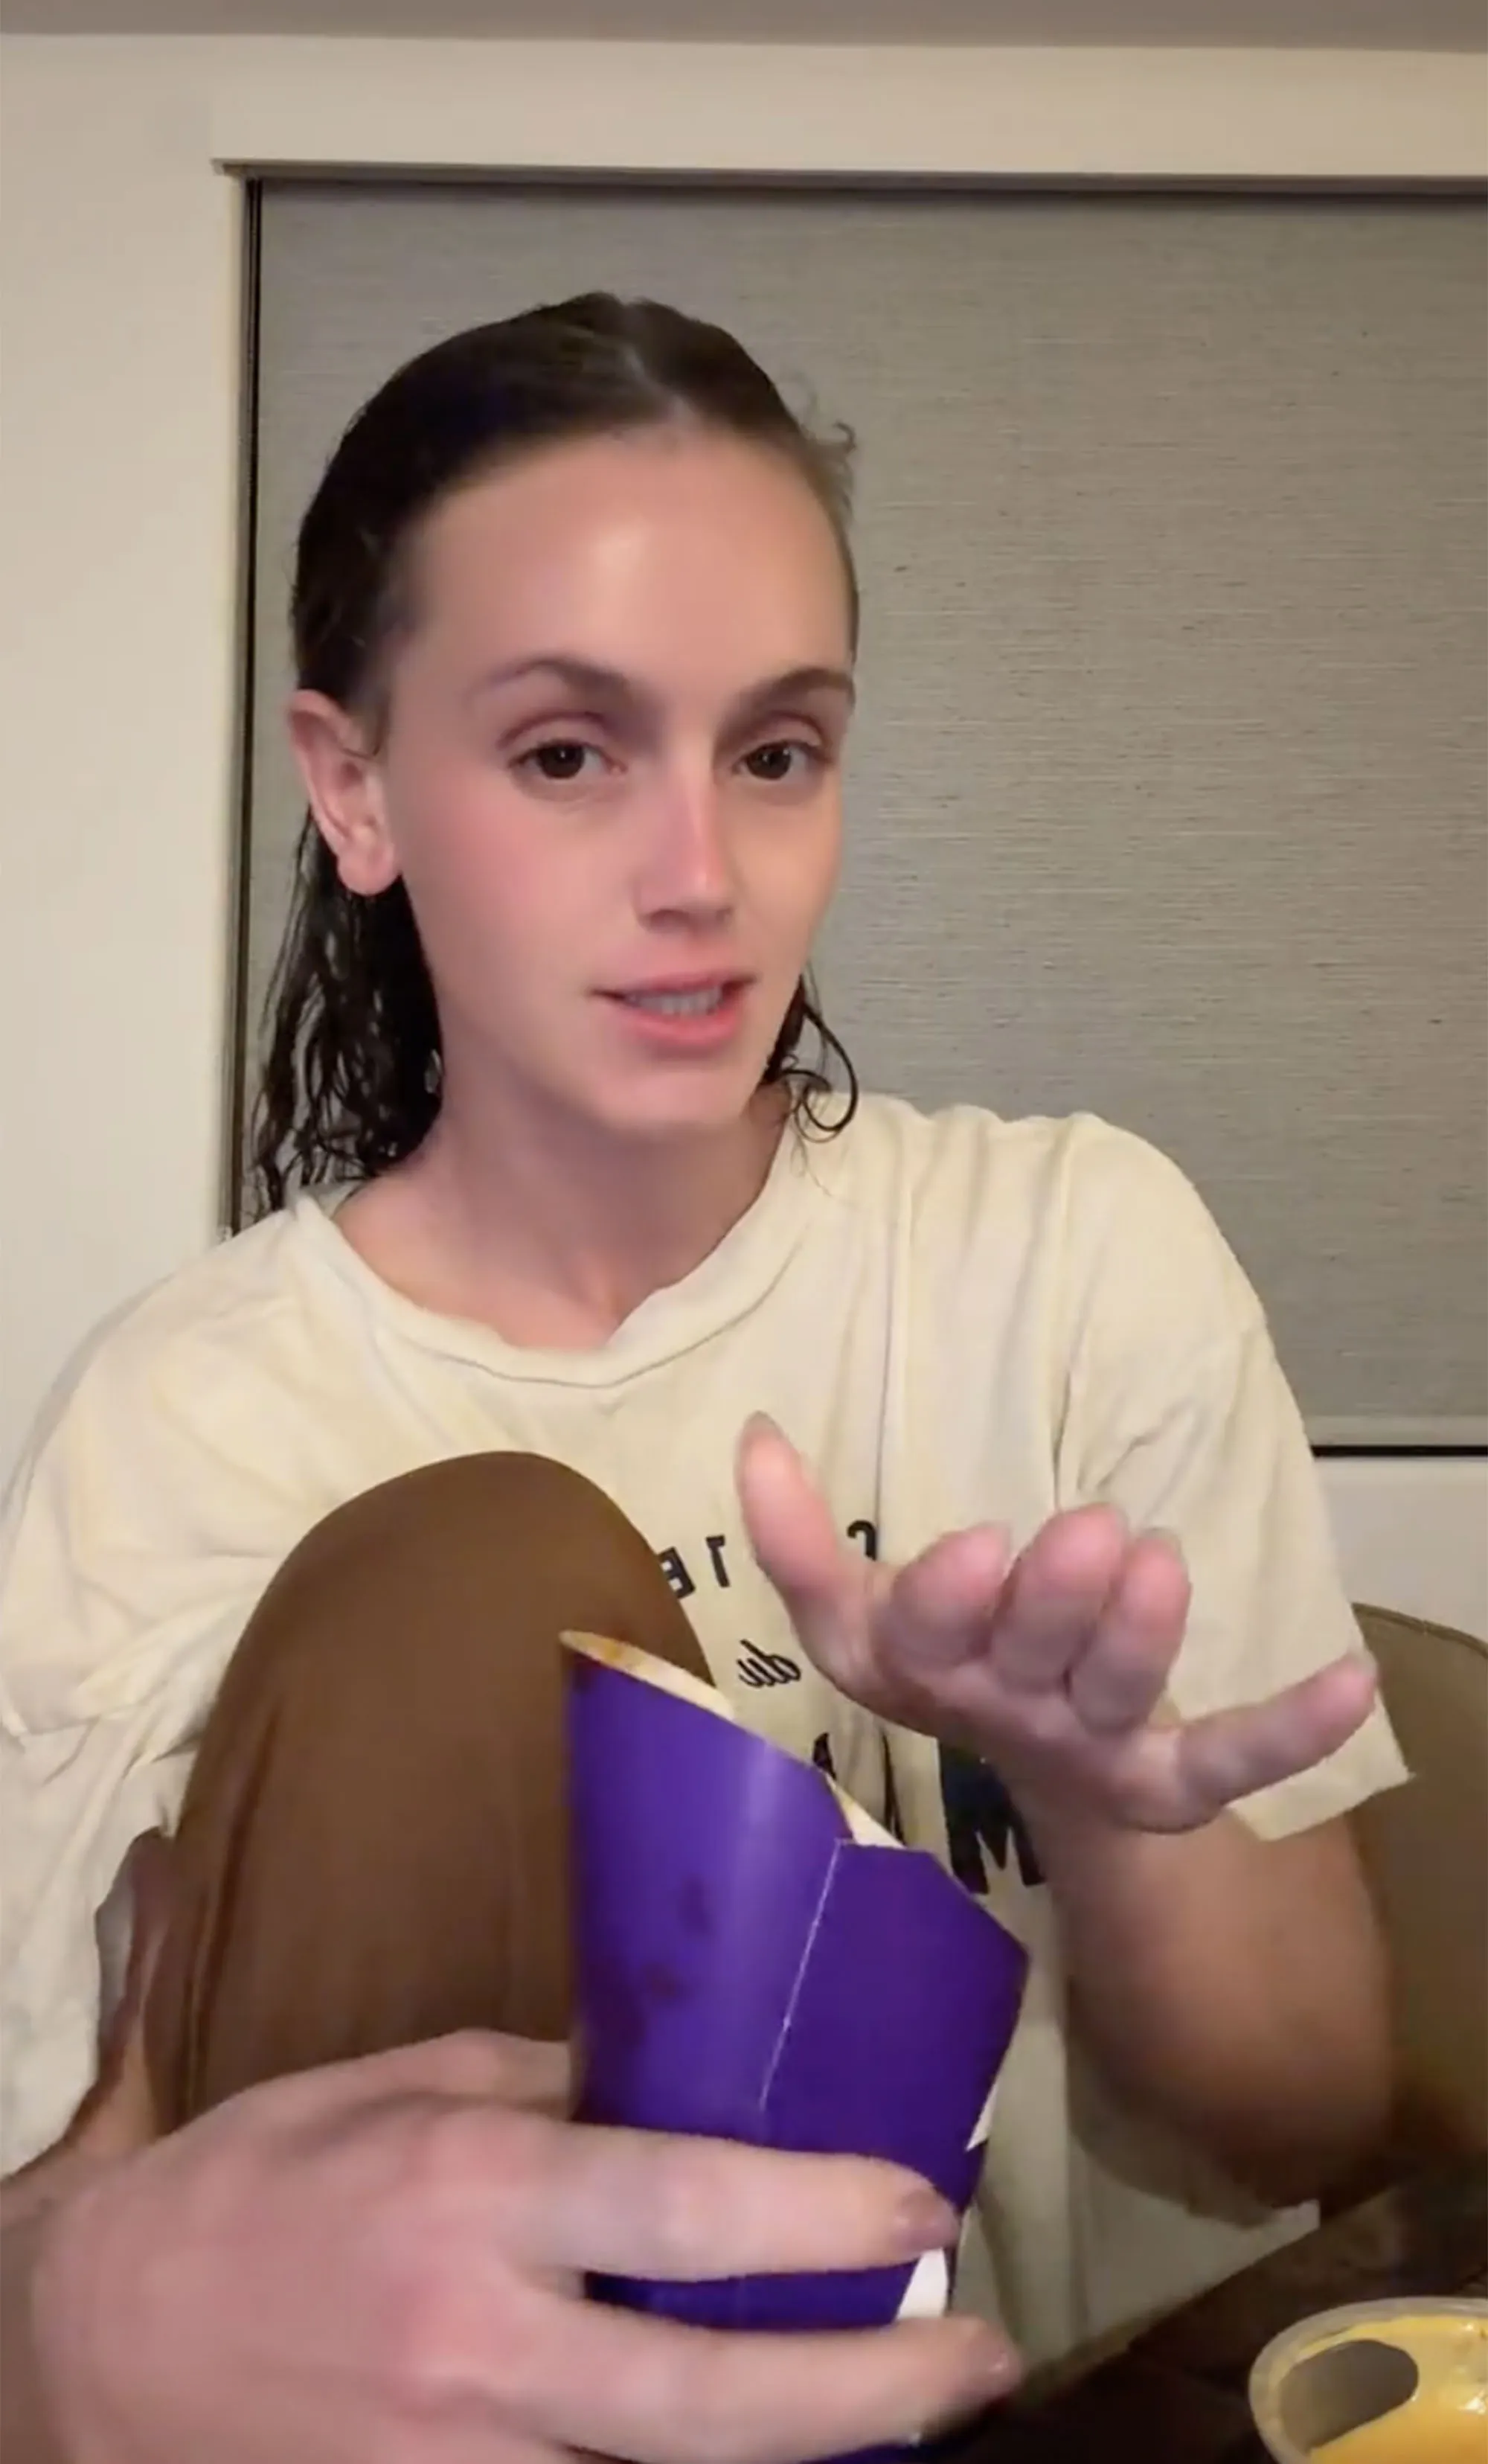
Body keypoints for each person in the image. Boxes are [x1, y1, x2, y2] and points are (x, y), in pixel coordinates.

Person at [0, 292, 1403, 2463]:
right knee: (467, 1580)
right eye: (569, 752)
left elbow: (1309, 2109)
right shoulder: (187, 1425)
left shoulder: (1066, 1257)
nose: (702, 875)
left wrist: (1121, 1817)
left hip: (1077, 2418)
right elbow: (78, 2202)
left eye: (779, 750)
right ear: (352, 785)